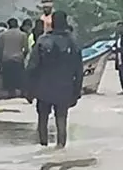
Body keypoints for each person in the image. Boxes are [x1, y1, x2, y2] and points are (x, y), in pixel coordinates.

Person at [26, 11, 83, 148]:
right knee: (61, 120)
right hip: (64, 87)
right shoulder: (72, 43)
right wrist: (77, 91)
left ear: (52, 23)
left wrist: (29, 90)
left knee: (42, 120)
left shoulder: (42, 41)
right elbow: (79, 70)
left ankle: (43, 149)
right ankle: (61, 150)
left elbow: (32, 67)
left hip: (43, 88)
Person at [0, 17, 29, 97]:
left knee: (9, 79)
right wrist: (23, 56)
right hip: (18, 59)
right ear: (17, 24)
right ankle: (21, 94)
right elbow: (26, 49)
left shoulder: (3, 35)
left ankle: (11, 94)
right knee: (19, 79)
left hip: (6, 59)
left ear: (8, 25)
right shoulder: (23, 34)